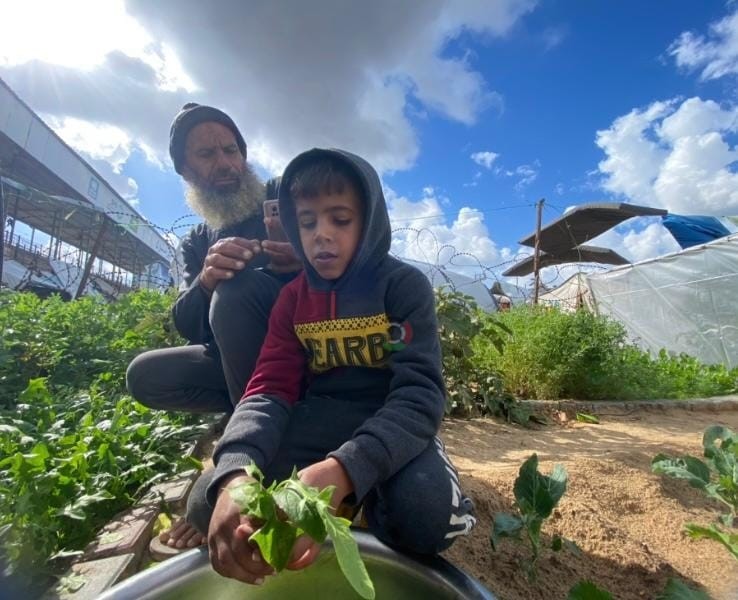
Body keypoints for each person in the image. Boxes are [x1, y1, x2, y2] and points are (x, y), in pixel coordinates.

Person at [185, 148, 476, 585]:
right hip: (317, 418)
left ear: (369, 221)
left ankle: (368, 492)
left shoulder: (402, 287)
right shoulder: (292, 300)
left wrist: (344, 469)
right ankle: (349, 492)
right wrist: (235, 472)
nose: (321, 235)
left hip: (389, 422)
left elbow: (419, 396)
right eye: (307, 222)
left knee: (424, 516)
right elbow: (268, 390)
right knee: (208, 505)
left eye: (339, 220)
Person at [125, 103, 300, 550]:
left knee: (237, 292)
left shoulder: (284, 198)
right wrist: (206, 279)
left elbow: (344, 256)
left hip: (302, 354)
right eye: (206, 155)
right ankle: (247, 426)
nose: (224, 163)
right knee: (145, 374)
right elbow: (187, 324)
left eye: (230, 150)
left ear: (244, 155)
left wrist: (301, 267)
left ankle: (260, 458)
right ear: (185, 171)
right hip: (236, 366)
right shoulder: (196, 241)